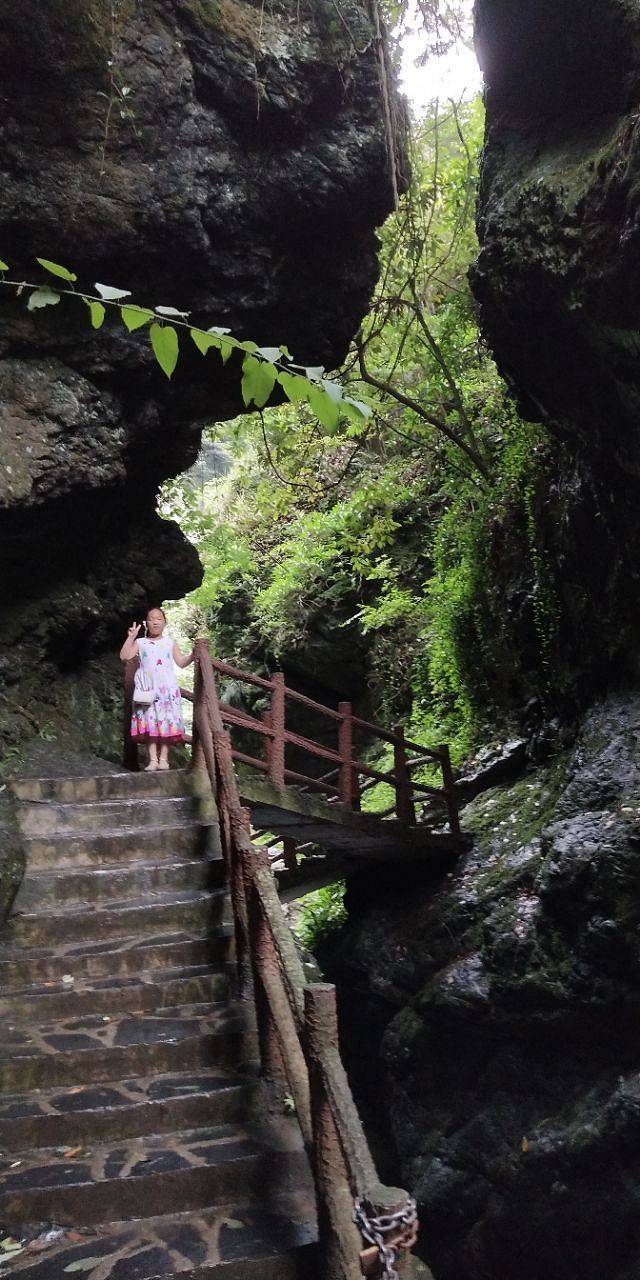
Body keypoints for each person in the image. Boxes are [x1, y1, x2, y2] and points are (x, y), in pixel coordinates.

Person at [120, 607, 194, 771]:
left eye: (159, 618)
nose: (155, 621)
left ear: (164, 622)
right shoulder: (140, 643)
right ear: (146, 623)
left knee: (166, 723)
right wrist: (131, 637)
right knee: (150, 723)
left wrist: (193, 654)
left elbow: (181, 662)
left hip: (167, 689)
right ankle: (152, 760)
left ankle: (164, 759)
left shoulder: (170, 643)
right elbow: (124, 656)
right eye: (152, 618)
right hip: (147, 689)